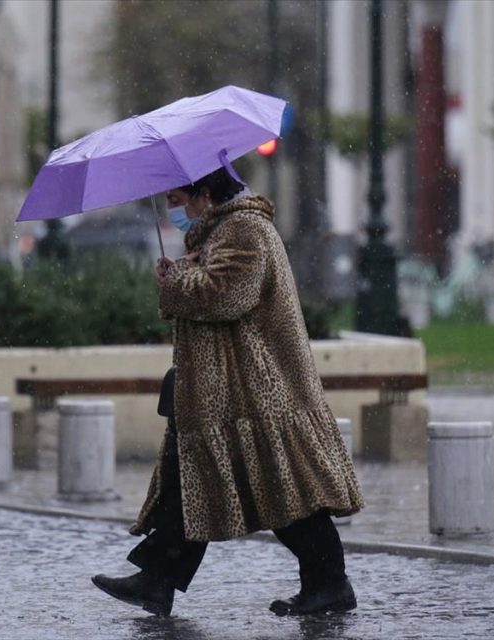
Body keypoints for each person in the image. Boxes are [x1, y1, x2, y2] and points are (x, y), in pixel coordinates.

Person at [91, 167, 364, 617]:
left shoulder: (245, 229)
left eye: (177, 199)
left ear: (204, 194)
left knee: (283, 491)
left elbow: (227, 294)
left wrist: (177, 281)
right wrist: (184, 269)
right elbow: (218, 284)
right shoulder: (221, 231)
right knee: (193, 485)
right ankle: (157, 580)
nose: (173, 209)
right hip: (221, 394)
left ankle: (329, 583)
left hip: (257, 391)